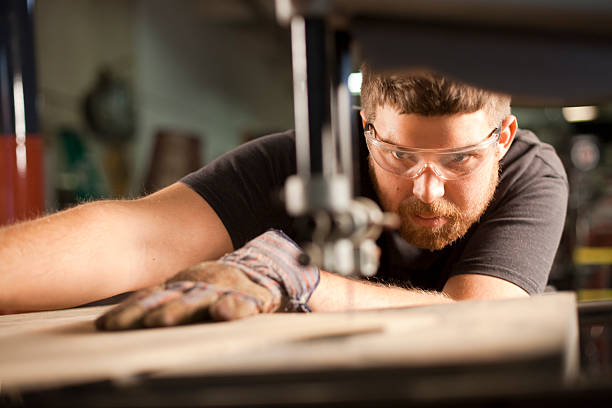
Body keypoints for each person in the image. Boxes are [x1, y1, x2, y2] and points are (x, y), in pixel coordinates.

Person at [0, 67, 568, 329]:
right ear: (366, 126)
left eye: (459, 160)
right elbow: (133, 236)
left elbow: (480, 317)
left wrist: (300, 278)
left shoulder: (532, 174)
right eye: (399, 155)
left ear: (504, 137)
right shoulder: (310, 156)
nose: (427, 188)